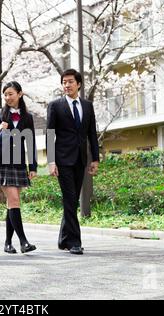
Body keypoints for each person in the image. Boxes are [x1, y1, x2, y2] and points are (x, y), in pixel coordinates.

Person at [0, 81, 37, 254]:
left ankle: (7, 243)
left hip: (18, 164)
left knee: (12, 204)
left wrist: (32, 166)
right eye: (5, 94)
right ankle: (24, 242)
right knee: (14, 201)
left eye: (11, 93)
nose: (7, 97)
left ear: (20, 94)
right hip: (2, 162)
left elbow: (31, 142)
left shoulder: (28, 117)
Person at [46, 69, 100, 255]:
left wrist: (95, 158)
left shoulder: (87, 106)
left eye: (70, 81)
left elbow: (92, 133)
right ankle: (75, 242)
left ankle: (63, 239)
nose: (66, 85)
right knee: (70, 199)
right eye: (64, 82)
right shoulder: (55, 106)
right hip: (62, 160)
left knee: (72, 199)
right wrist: (51, 161)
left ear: (78, 84)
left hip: (81, 160)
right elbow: (50, 134)